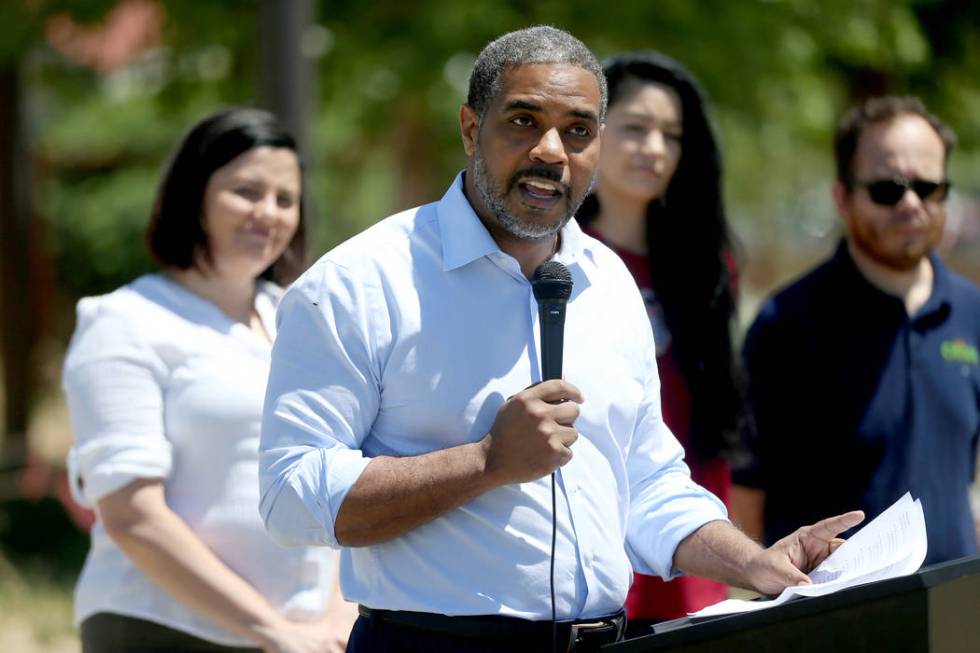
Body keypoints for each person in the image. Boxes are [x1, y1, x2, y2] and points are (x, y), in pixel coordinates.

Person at [259, 27, 863, 653]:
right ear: (470, 128)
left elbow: (647, 480)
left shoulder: (610, 283)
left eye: (578, 130)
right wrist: (486, 462)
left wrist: (756, 564)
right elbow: (290, 498)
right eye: (523, 121)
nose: (552, 150)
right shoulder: (358, 284)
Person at [62, 108, 357, 652]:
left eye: (285, 199)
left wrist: (337, 618)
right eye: (246, 192)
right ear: (193, 196)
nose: (267, 213)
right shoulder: (124, 322)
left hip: (309, 638)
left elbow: (338, 474)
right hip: (164, 630)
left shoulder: (301, 316)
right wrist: (274, 632)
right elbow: (132, 516)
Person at [733, 96, 979, 566]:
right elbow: (746, 494)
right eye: (888, 189)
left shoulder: (972, 312)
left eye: (928, 187)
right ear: (842, 198)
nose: (910, 203)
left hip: (955, 618)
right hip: (833, 623)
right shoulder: (786, 324)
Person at [575, 51, 746, 630]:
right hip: (595, 569)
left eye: (671, 135)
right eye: (635, 128)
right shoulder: (555, 263)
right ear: (592, 132)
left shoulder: (709, 270)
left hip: (691, 562)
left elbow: (714, 425)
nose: (655, 148)